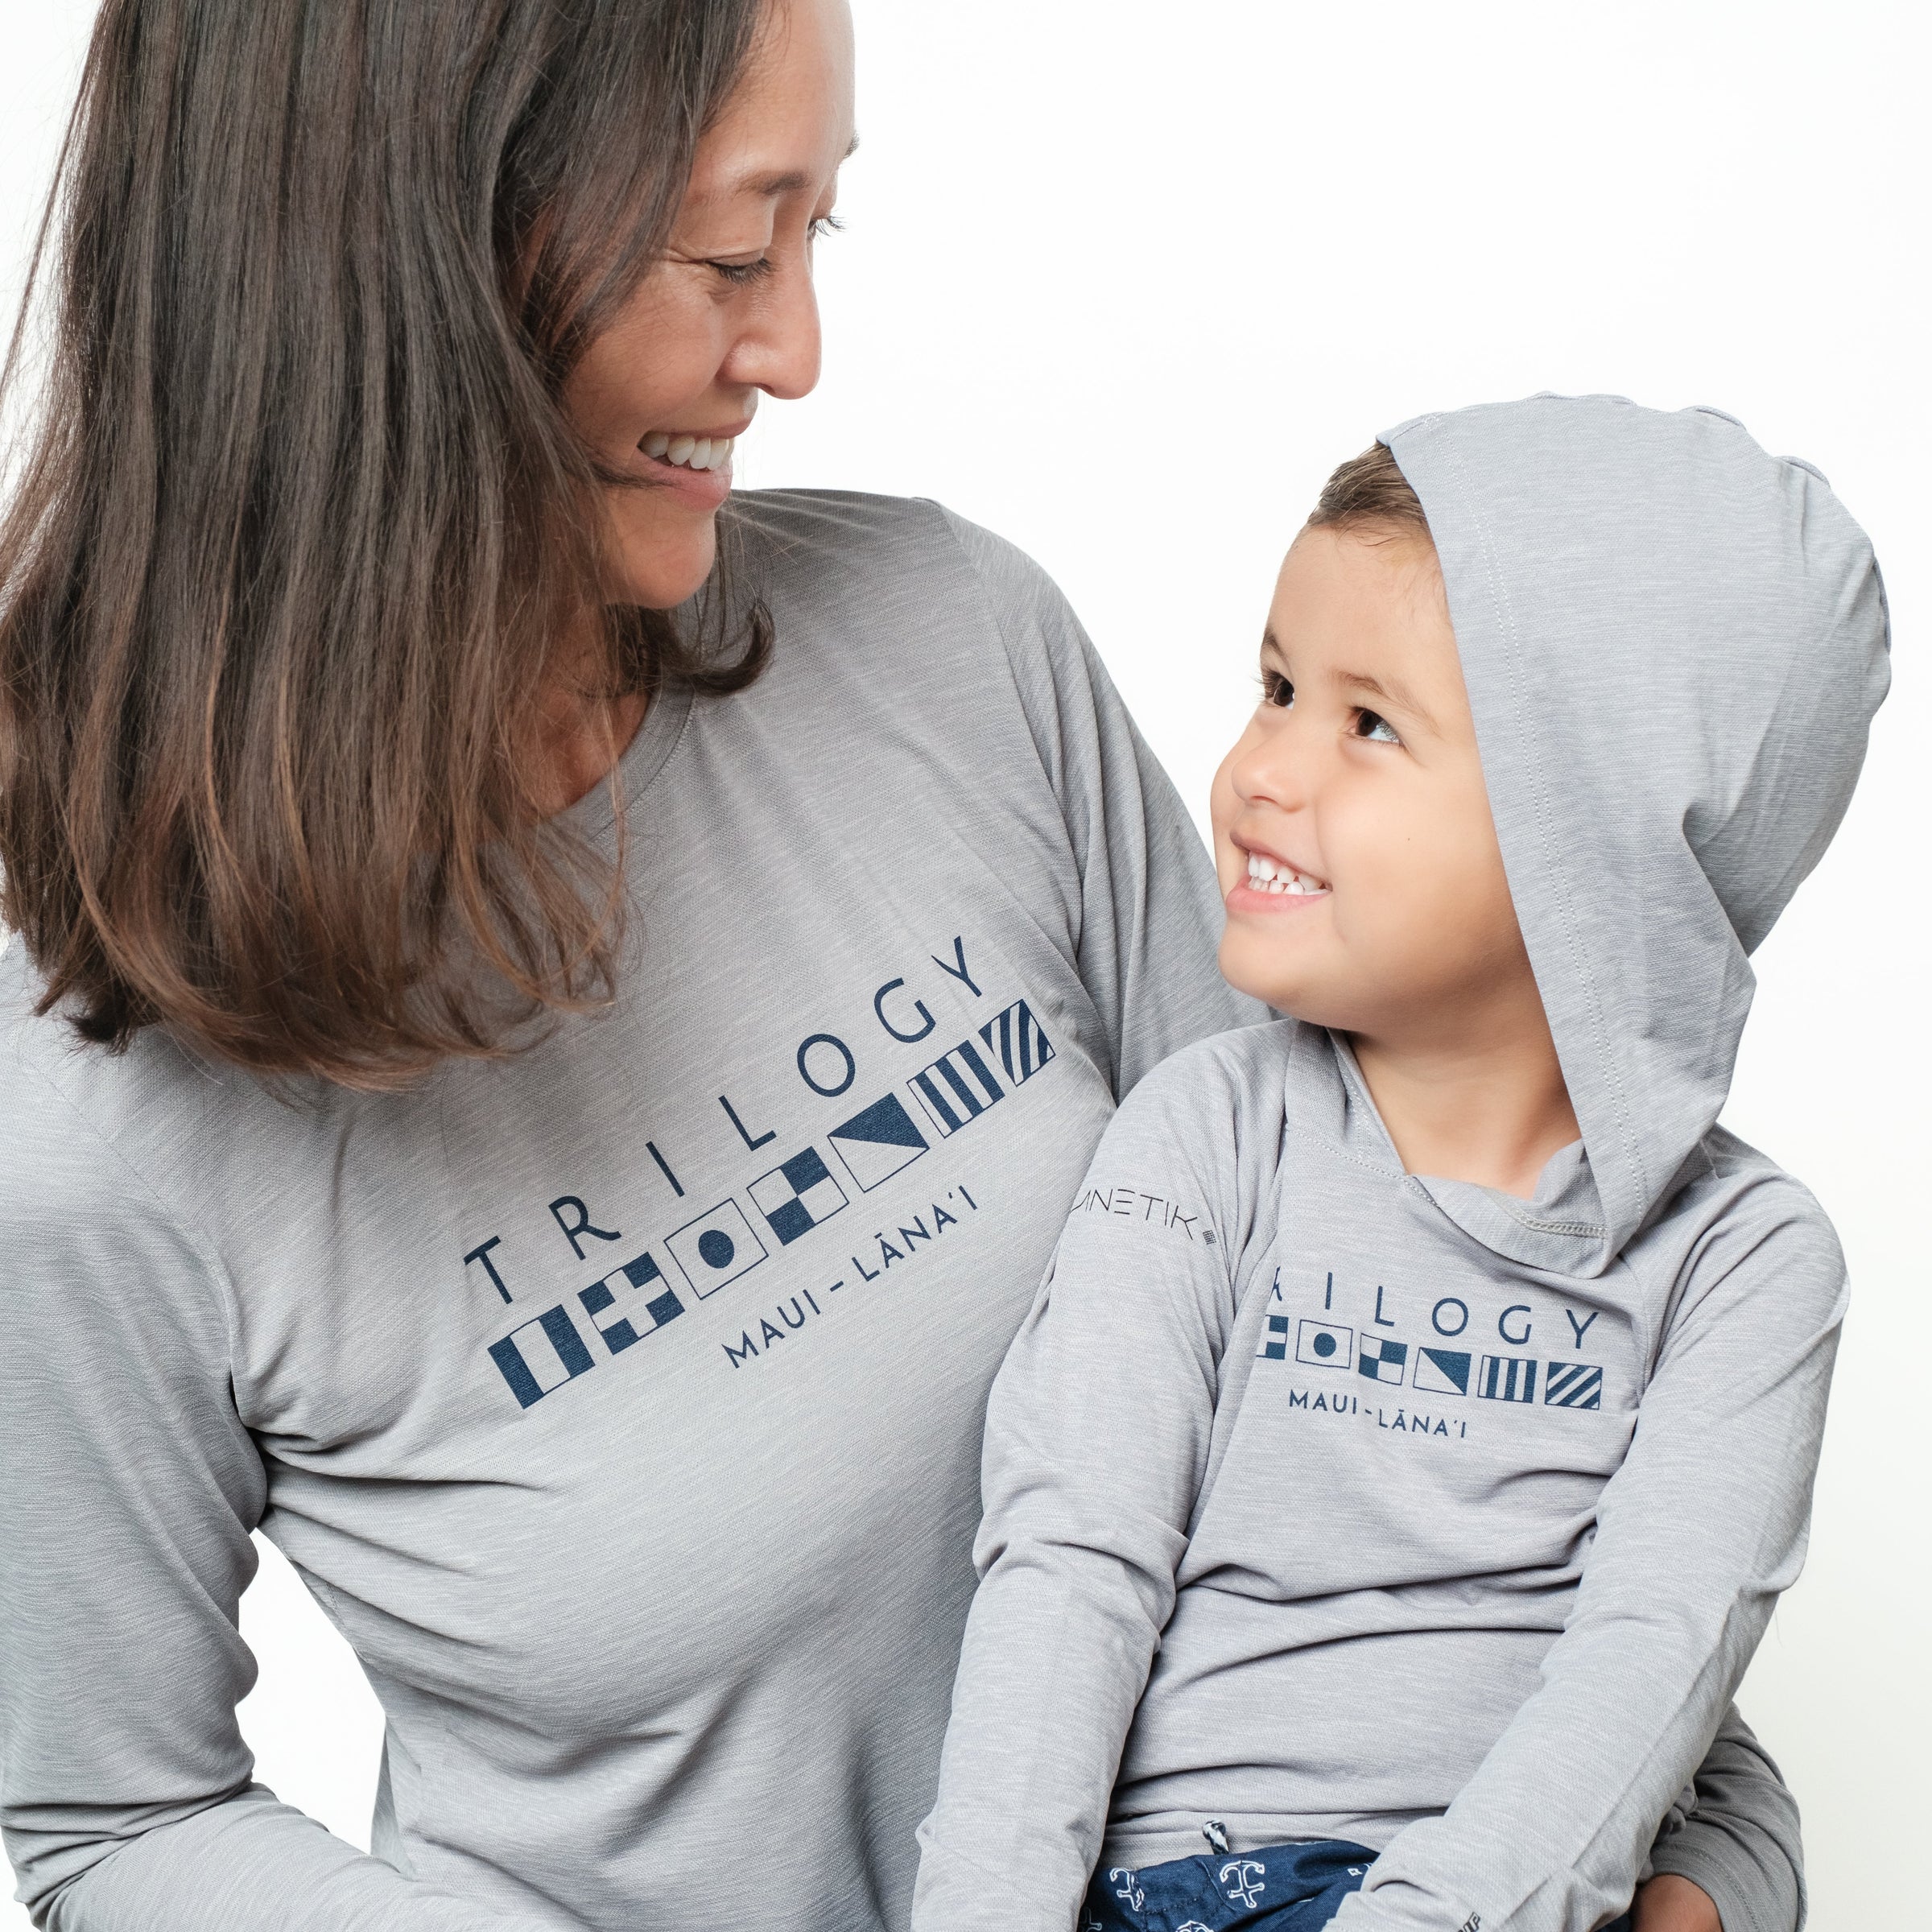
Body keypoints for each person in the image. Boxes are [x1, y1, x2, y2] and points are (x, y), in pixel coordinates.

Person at [0, 0, 1802, 1923]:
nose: (794, 350)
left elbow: (1439, 1437)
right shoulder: (86, 1102)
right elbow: (116, 1818)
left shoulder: (954, 646)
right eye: (726, 252)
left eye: (819, 229)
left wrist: (1704, 1865)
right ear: (398, 260)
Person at [911, 401, 1886, 1932]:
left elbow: (1655, 1663)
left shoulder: (1746, 1264)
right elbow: (1069, 1566)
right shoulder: (1205, 1134)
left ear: (1595, 846)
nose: (1260, 771)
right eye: (1277, 688)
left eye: (1369, 725)